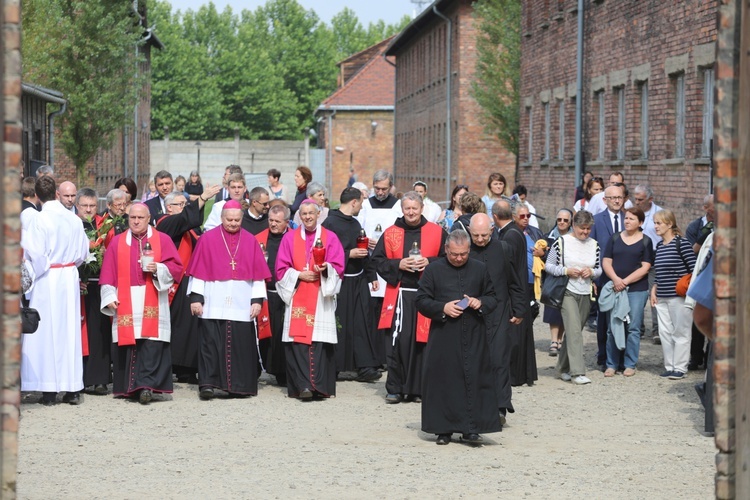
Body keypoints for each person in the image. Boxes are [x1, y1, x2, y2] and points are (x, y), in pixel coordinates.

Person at [416, 229, 499, 445]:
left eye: (463, 254)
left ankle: (471, 428)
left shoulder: (480, 269)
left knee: (474, 379)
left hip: (474, 334)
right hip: (444, 336)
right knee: (444, 381)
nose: (459, 258)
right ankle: (443, 429)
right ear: (446, 250)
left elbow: (492, 297)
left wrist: (480, 302)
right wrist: (442, 307)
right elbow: (421, 300)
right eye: (454, 254)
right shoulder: (433, 270)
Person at [185, 200, 271, 399]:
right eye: (229, 219)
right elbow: (198, 271)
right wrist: (196, 298)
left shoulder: (250, 240)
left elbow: (258, 274)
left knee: (240, 344)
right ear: (221, 218)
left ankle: (238, 386)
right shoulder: (207, 239)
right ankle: (208, 383)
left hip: (241, 301)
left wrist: (257, 300)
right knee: (210, 344)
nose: (233, 223)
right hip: (213, 299)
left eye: (237, 220)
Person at [99, 203, 183, 404]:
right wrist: (109, 296)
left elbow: (177, 268)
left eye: (140, 218)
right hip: (125, 298)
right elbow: (108, 273)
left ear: (148, 219)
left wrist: (158, 268)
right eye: (132, 218)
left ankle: (146, 386)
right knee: (129, 345)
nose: (136, 221)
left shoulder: (163, 240)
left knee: (151, 344)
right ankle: (129, 387)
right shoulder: (117, 242)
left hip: (152, 294)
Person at [372, 191, 447, 404]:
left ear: (422, 208)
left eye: (415, 208)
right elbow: (377, 261)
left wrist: (429, 263)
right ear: (402, 209)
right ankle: (395, 388)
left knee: (422, 342)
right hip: (399, 295)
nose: (411, 212)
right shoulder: (390, 233)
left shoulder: (437, 231)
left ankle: (418, 389)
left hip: (427, 296)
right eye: (407, 208)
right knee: (398, 342)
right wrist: (398, 264)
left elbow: (447, 258)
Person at [21, 176, 90, 405]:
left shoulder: (40, 220)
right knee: (69, 331)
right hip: (68, 276)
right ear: (57, 194)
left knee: (46, 333)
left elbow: (37, 255)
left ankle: (49, 390)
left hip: (47, 277)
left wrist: (30, 278)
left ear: (37, 196)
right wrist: (69, 266)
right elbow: (82, 253)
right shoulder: (73, 220)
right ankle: (72, 389)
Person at [276, 199, 346, 399]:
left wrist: (326, 269)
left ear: (318, 214)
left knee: (318, 341)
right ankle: (303, 386)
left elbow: (338, 266)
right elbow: (281, 269)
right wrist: (298, 275)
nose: (307, 217)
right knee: (298, 342)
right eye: (304, 214)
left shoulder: (330, 237)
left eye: (311, 213)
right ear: (299, 216)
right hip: (298, 291)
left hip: (319, 295)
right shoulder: (289, 238)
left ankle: (320, 387)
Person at [155, 187, 219, 383]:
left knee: (189, 328)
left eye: (185, 205)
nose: (184, 209)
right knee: (178, 326)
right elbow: (185, 219)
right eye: (180, 205)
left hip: (189, 281)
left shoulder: (188, 227)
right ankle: (176, 365)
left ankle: (187, 367)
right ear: (169, 208)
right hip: (174, 282)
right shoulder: (165, 223)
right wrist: (202, 198)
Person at [467, 213, 526, 425]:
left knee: (500, 359)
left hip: (499, 311)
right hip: (472, 313)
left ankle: (501, 406)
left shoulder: (503, 249)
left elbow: (515, 281)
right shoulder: (465, 251)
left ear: (492, 230)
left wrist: (519, 309)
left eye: (484, 235)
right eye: (476, 235)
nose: (480, 239)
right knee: (474, 359)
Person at [322, 187, 381, 382]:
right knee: (339, 324)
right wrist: (349, 254)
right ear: (354, 202)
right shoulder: (330, 223)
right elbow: (324, 253)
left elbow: (363, 251)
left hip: (358, 279)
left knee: (361, 323)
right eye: (361, 202)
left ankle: (364, 366)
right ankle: (335, 366)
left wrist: (372, 276)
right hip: (340, 281)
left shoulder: (356, 224)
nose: (362, 206)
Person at [545, 210, 602, 385]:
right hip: (567, 290)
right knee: (575, 331)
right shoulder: (561, 242)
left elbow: (599, 268)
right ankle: (577, 372)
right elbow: (548, 265)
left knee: (573, 332)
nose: (585, 232)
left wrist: (591, 272)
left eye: (588, 229)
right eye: (582, 229)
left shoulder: (595, 245)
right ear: (574, 226)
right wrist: (566, 271)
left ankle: (562, 368)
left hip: (585, 293)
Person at [601, 207, 654, 377]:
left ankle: (630, 363)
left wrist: (626, 281)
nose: (627, 221)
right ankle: (612, 363)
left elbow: (646, 267)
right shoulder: (615, 238)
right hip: (615, 287)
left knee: (633, 327)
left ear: (640, 222)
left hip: (636, 290)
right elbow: (606, 261)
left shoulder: (646, 241)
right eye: (626, 218)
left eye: (631, 219)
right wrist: (616, 280)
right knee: (613, 326)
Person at [650, 209, 696, 380]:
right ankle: (669, 366)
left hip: (679, 296)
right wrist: (654, 290)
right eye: (654, 223)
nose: (655, 226)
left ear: (669, 224)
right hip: (662, 296)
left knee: (681, 332)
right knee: (665, 333)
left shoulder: (682, 244)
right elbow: (658, 273)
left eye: (658, 223)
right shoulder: (659, 246)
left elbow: (694, 270)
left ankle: (680, 367)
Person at [76, 188, 112, 395]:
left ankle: (100, 379)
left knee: (99, 333)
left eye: (92, 206)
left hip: (99, 284)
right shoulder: (71, 224)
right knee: (79, 333)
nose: (88, 211)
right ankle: (80, 379)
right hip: (77, 286)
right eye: (84, 206)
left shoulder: (104, 225)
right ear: (77, 207)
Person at [590, 184, 627, 369]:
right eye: (612, 198)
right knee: (604, 318)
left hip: (625, 276)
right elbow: (593, 250)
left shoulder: (629, 218)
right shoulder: (597, 220)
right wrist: (594, 279)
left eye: (619, 197)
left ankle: (621, 357)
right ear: (605, 200)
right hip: (603, 277)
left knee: (624, 317)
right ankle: (604, 356)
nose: (616, 201)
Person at [254, 204, 291, 386]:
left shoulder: (293, 238)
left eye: (277, 221)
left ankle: (282, 372)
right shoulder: (259, 239)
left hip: (287, 293)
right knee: (265, 332)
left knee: (282, 334)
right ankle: (259, 368)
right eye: (270, 220)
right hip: (265, 292)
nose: (273, 224)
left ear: (286, 222)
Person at [511, 202, 542, 386]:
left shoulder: (534, 232)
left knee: (529, 322)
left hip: (532, 283)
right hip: (518, 285)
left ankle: (526, 368)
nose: (526, 219)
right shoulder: (511, 234)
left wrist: (542, 253)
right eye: (522, 216)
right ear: (514, 216)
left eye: (528, 215)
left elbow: (547, 250)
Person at [543, 209, 573, 356]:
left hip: (570, 278)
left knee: (565, 309)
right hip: (554, 277)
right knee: (553, 308)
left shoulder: (575, 237)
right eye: (559, 219)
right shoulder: (548, 236)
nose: (561, 222)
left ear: (570, 222)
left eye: (565, 220)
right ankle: (554, 340)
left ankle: (560, 339)